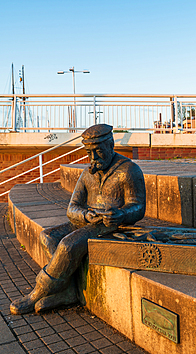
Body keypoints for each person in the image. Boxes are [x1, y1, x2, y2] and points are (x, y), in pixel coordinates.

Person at [10, 124, 146, 314]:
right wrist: (84, 214)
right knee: (47, 236)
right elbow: (72, 208)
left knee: (67, 244)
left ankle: (37, 293)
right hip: (87, 221)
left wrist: (121, 214)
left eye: (98, 151)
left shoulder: (129, 170)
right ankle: (69, 291)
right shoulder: (86, 174)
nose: (93, 158)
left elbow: (138, 207)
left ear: (111, 145)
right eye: (89, 153)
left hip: (108, 225)